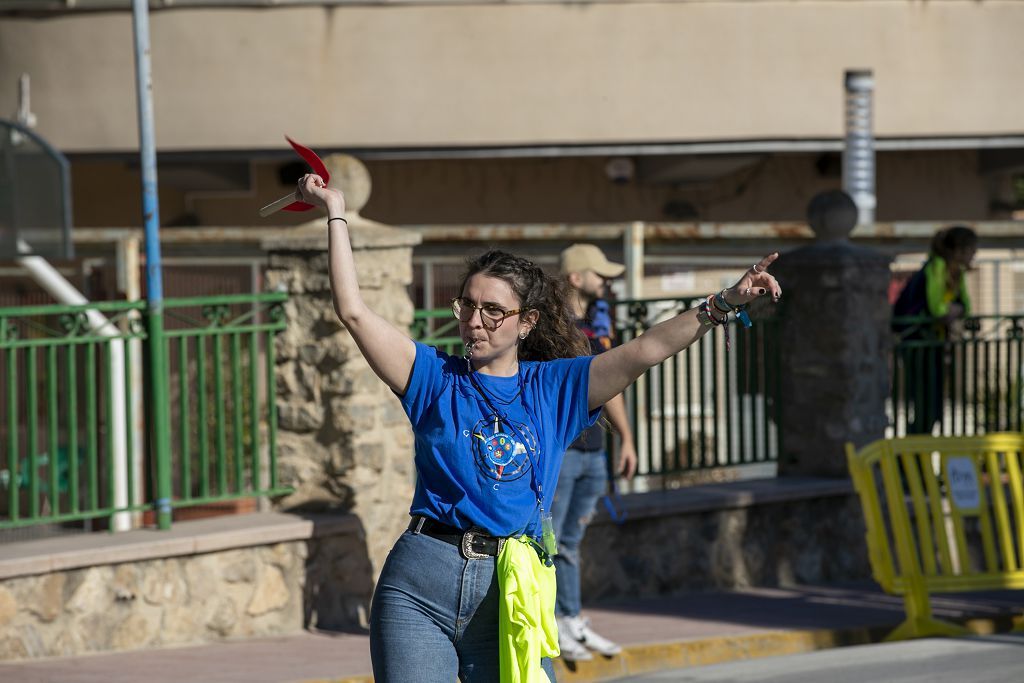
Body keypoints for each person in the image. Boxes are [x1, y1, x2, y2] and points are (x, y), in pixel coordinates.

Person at [295, 173, 782, 682]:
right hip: (419, 582)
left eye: (492, 310)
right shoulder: (431, 377)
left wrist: (723, 302)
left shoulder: (555, 388)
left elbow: (646, 349)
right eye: (467, 306)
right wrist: (335, 211)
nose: (474, 321)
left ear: (525, 323)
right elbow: (352, 310)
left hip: (510, 593)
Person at [552, 243, 637, 662]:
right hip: (564, 450)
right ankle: (557, 623)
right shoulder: (553, 327)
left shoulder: (595, 324)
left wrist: (627, 438)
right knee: (551, 542)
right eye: (599, 274)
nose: (606, 282)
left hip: (593, 451)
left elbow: (610, 385)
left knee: (571, 540)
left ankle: (571, 619)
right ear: (575, 277)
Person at [893, 225, 977, 434]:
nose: (975, 255)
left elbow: (965, 306)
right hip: (918, 341)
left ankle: (918, 455)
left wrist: (954, 310)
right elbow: (937, 307)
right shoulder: (938, 266)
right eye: (971, 250)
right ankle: (908, 458)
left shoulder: (957, 273)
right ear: (958, 251)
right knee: (924, 404)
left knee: (935, 406)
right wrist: (949, 311)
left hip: (936, 342)